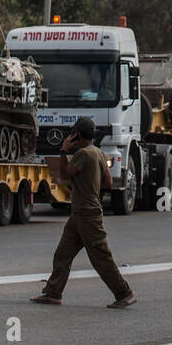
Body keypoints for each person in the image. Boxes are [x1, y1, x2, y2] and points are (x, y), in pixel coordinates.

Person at [30, 117, 136, 308]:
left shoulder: (82, 154)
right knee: (63, 253)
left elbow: (64, 175)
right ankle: (53, 293)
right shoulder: (99, 154)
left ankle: (124, 293)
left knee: (101, 257)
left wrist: (63, 150)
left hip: (87, 214)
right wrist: (89, 185)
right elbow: (108, 183)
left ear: (78, 135)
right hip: (81, 213)